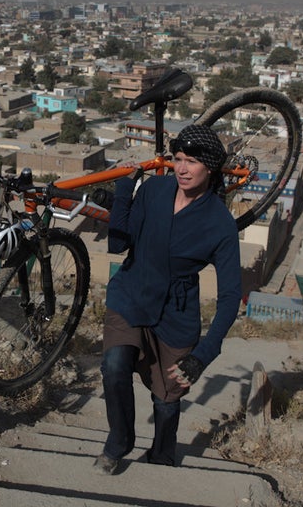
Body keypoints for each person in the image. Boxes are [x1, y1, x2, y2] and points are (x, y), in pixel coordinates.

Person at [94, 124, 243, 475]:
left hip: (175, 316)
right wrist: (123, 193)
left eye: (191, 161)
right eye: (177, 159)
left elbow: (230, 295)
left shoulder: (220, 224)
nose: (182, 168)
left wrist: (204, 355)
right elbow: (118, 244)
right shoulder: (155, 189)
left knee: (166, 399)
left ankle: (161, 456)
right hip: (131, 293)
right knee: (114, 367)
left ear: (210, 167)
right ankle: (118, 443)